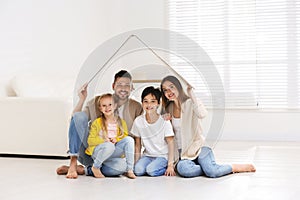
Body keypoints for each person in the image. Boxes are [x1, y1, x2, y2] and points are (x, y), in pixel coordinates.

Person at [160, 75, 256, 178]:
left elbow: (202, 114)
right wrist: (163, 117)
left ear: (179, 87)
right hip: (183, 154)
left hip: (199, 148)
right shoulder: (168, 108)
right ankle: (208, 166)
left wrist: (192, 96)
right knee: (184, 170)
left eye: (171, 87)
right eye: (165, 90)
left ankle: (233, 167)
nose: (169, 92)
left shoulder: (191, 102)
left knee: (212, 172)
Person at [56, 70, 143, 178]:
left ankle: (85, 170)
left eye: (127, 85)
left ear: (132, 88)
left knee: (121, 167)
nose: (123, 88)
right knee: (78, 116)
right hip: (92, 150)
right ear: (113, 86)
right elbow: (76, 120)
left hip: (114, 154)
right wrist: (82, 99)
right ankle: (73, 164)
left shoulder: (137, 107)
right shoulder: (99, 101)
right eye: (120, 85)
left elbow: (139, 135)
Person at [85, 93, 136, 179]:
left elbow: (124, 136)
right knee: (109, 146)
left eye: (110, 105)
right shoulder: (97, 123)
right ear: (100, 108)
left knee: (129, 142)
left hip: (112, 154)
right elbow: (90, 140)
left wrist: (116, 139)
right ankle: (96, 167)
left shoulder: (121, 122)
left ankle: (129, 170)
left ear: (115, 106)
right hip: (100, 152)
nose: (107, 108)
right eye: (104, 106)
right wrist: (104, 140)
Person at [131, 86, 176, 177]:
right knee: (138, 171)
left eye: (153, 101)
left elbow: (171, 144)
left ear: (158, 103)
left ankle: (164, 167)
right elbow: (138, 145)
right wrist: (135, 164)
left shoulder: (164, 121)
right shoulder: (138, 121)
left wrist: (170, 165)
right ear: (142, 103)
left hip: (162, 156)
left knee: (151, 171)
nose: (149, 105)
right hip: (147, 156)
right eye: (145, 101)